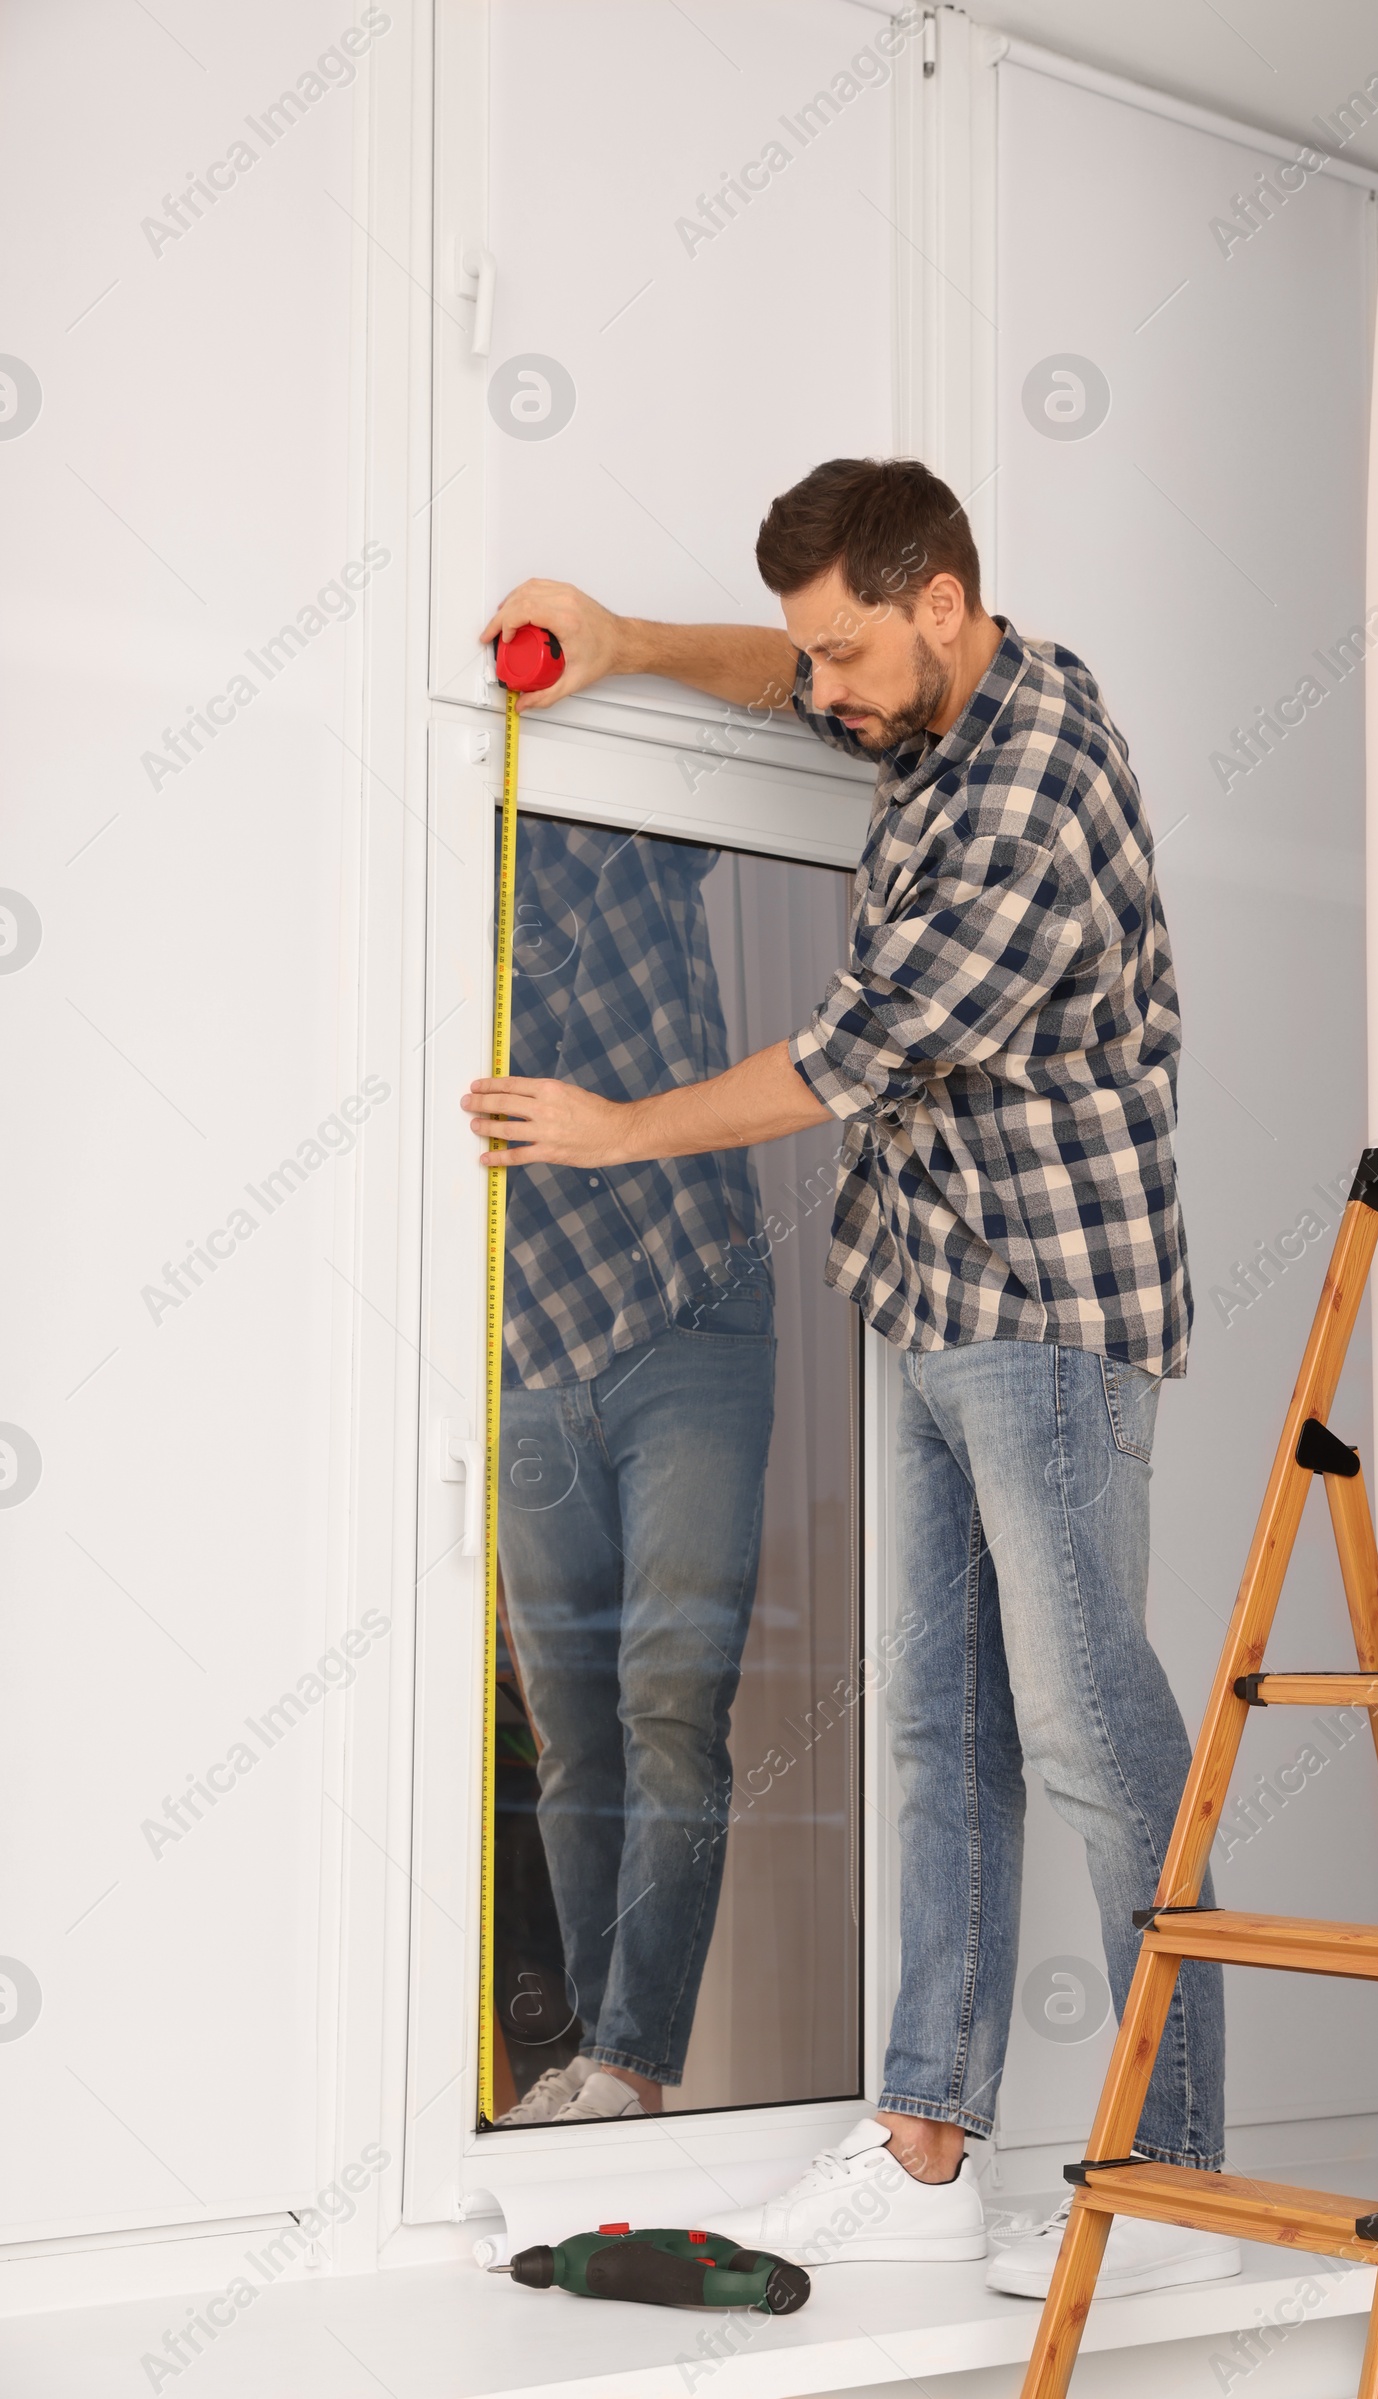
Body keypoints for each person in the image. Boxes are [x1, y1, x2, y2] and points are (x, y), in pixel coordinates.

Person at [466, 457, 1237, 2298]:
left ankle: (1182, 2184)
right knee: (936, 1733)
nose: (824, 694)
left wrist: (610, 1131)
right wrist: (630, 643)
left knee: (1090, 1741)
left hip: (1046, 1313)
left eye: (845, 655)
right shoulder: (939, 712)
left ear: (942, 605)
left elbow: (845, 1059)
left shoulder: (1028, 797)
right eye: (816, 658)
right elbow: (774, 682)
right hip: (924, 1292)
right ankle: (925, 2149)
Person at [488, 815, 777, 2128]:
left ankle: (631, 2059)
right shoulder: (426, 905)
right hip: (527, 1343)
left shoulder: (618, 840)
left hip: (687, 1315)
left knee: (670, 1712)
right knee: (572, 1740)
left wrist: (614, 646)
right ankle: (602, 2067)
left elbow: (775, 699)